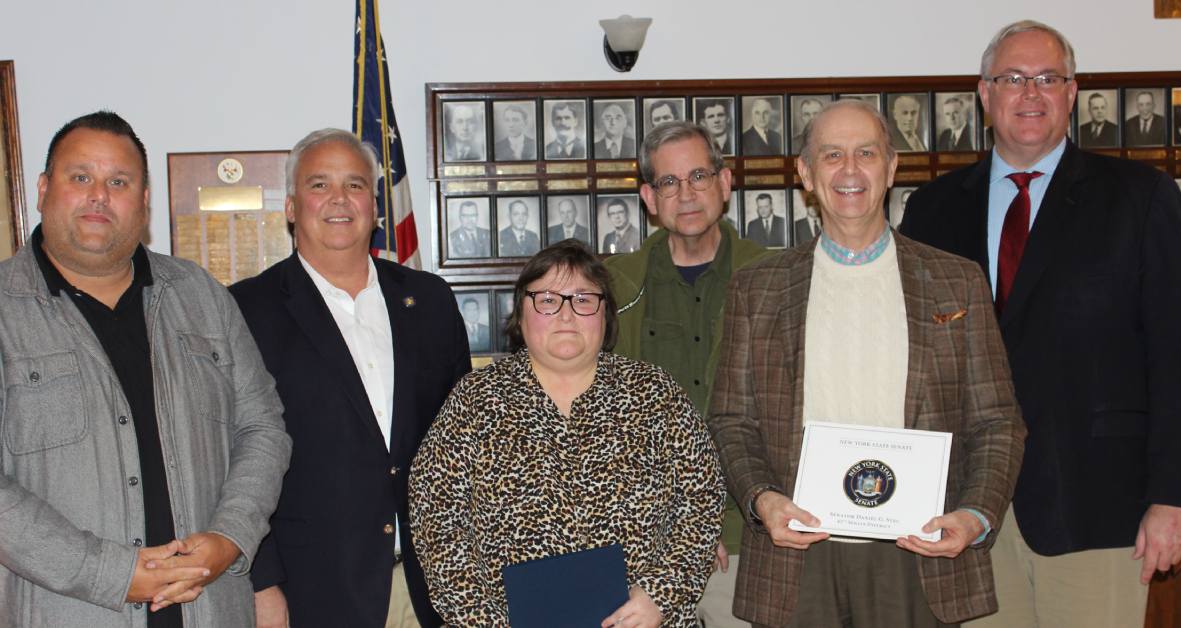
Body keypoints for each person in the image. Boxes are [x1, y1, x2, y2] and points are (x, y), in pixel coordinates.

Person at [900, 21, 1181, 628]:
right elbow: (915, 360)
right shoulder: (932, 208)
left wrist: (1179, 495)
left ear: (1072, 92)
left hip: (1099, 503)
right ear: (984, 94)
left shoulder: (1139, 197)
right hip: (966, 509)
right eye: (1012, 78)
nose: (1030, 93)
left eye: (1047, 79)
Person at [710, 98, 1026, 628]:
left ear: (892, 167)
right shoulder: (757, 288)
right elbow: (730, 420)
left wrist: (974, 517)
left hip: (918, 550)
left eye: (866, 153)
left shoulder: (956, 280)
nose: (850, 170)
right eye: (832, 155)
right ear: (806, 174)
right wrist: (762, 501)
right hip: (798, 553)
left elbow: (998, 420)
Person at [0, 110, 291, 627]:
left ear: (143, 200)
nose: (99, 195)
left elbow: (262, 427)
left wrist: (230, 536)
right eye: (80, 177)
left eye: (118, 181)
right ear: (43, 189)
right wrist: (107, 571)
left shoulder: (202, 296)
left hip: (210, 609)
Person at [409, 240, 725, 626]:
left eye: (583, 299)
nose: (566, 314)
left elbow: (702, 500)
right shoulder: (474, 402)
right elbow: (436, 520)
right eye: (546, 299)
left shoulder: (654, 393)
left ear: (604, 313)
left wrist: (661, 595)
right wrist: (483, 621)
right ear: (520, 315)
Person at [230, 128, 470, 628]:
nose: (339, 199)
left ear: (376, 207)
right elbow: (231, 456)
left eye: (356, 185)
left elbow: (463, 444)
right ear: (292, 206)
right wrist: (262, 581)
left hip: (433, 588)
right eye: (319, 185)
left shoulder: (430, 301)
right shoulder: (246, 310)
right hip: (312, 592)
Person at [606, 121, 771, 628]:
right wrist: (682, 531)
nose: (687, 193)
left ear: (725, 183)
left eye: (699, 175)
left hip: (750, 545)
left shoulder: (775, 279)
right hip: (641, 553)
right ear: (648, 198)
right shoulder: (612, 288)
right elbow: (595, 420)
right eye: (669, 182)